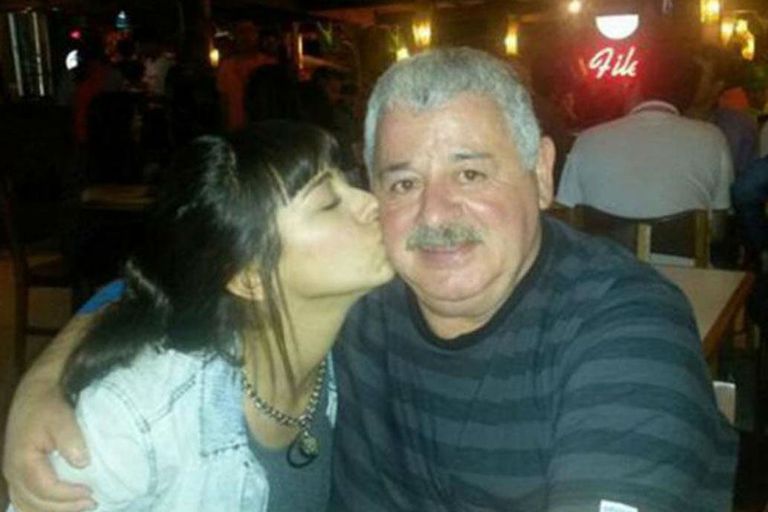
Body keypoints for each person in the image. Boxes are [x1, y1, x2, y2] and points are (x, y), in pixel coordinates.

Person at [4, 48, 737, 512]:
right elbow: (170, 288)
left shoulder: (623, 330)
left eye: (471, 173)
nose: (434, 213)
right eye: (402, 181)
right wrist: (46, 380)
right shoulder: (362, 299)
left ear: (542, 173)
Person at [5, 120, 392, 511]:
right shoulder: (137, 420)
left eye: (349, 180)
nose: (371, 201)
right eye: (328, 203)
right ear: (249, 277)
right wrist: (40, 384)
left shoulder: (363, 342)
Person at [557, 48, 733, 218]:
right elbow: (718, 224)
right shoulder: (712, 139)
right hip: (680, 240)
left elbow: (568, 215)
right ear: (690, 96)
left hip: (603, 239)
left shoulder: (588, 140)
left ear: (638, 87)